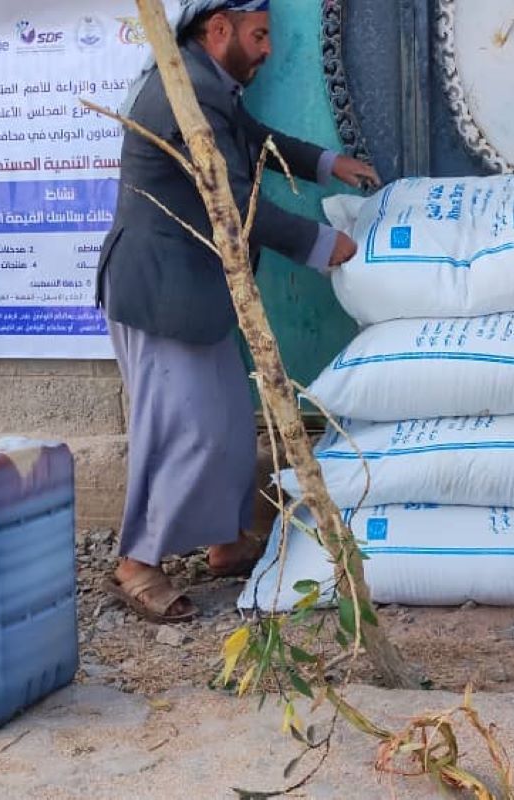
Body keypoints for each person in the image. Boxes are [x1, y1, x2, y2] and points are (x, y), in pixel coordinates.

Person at [96, 0, 380, 623]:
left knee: (224, 425)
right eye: (259, 35)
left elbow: (254, 139)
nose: (268, 48)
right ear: (218, 29)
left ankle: (225, 544)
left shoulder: (208, 82)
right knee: (182, 430)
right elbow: (231, 194)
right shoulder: (183, 91)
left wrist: (328, 164)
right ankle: (136, 563)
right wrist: (316, 243)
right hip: (163, 291)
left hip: (194, 292)